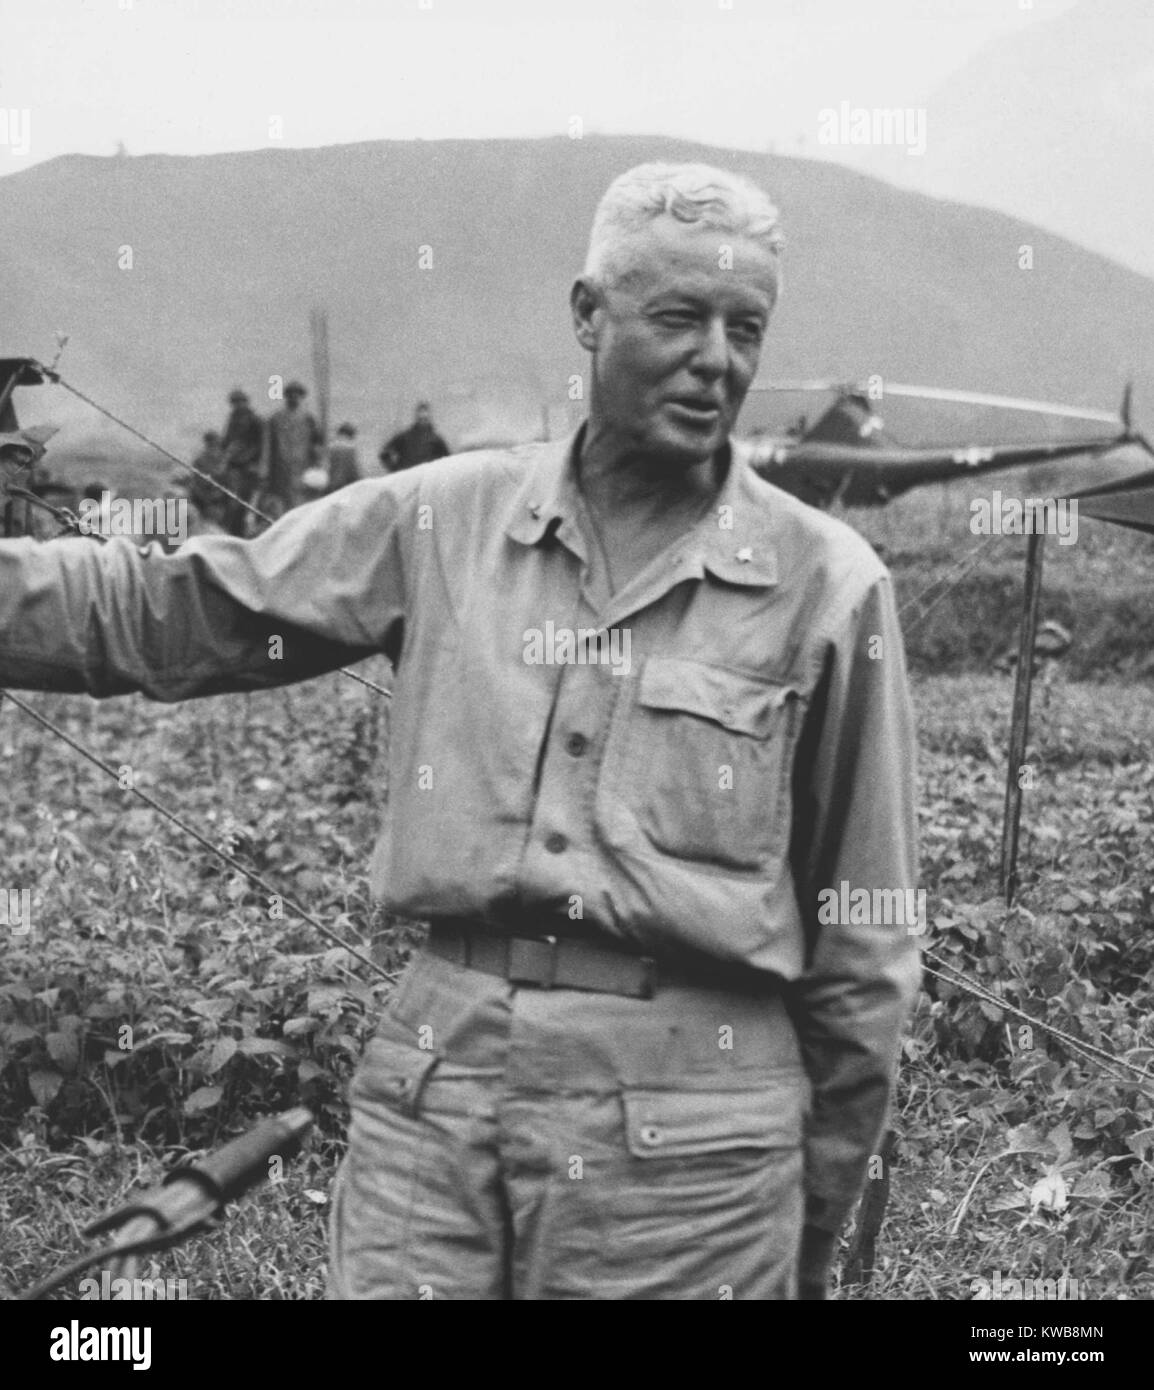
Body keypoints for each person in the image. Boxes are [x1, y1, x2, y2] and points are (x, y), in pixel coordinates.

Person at [0, 162, 921, 1300]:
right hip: (430, 1105)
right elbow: (180, 613)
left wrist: (804, 1219)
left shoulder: (825, 587)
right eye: (678, 318)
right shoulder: (442, 519)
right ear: (587, 314)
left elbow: (864, 950)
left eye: (745, 328)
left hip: (692, 1146)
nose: (714, 359)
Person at [262, 380, 322, 516]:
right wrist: (265, 470)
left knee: (301, 503)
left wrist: (318, 460)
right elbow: (267, 447)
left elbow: (317, 443)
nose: (293, 397)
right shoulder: (276, 418)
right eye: (290, 394)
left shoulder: (309, 419)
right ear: (286, 396)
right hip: (280, 469)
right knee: (280, 503)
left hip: (302, 467)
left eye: (297, 394)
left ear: (301, 396)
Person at [219, 389, 265, 537]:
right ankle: (233, 532)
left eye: (240, 402)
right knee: (232, 502)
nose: (238, 405)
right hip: (235, 466)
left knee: (246, 503)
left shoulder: (255, 420)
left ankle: (242, 532)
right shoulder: (233, 419)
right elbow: (226, 441)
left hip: (250, 467)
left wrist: (255, 463)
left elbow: (262, 445)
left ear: (246, 402)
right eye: (235, 402)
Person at [378, 401, 449, 472]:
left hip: (426, 478)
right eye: (421, 418)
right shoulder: (405, 437)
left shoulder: (436, 440)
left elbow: (447, 460)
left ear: (429, 418)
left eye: (425, 418)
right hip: (407, 476)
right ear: (417, 417)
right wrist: (394, 469)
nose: (423, 420)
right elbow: (385, 453)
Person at [186, 430, 228, 529]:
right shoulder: (200, 460)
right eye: (212, 445)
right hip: (204, 499)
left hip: (218, 500)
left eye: (216, 444)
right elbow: (196, 482)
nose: (214, 448)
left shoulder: (223, 459)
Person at [326, 423, 360, 494]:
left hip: (329, 483)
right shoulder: (349, 448)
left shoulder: (330, 446)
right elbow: (353, 469)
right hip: (344, 484)